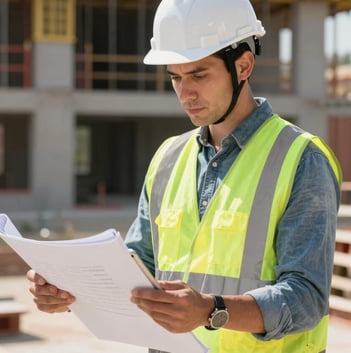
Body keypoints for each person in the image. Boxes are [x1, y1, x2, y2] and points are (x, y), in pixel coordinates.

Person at [26, 0, 342, 352]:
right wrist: (68, 291)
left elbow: (307, 298)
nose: (185, 93)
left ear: (243, 65)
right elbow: (137, 267)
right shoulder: (167, 158)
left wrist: (211, 310)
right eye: (176, 77)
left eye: (199, 75)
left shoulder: (301, 158)